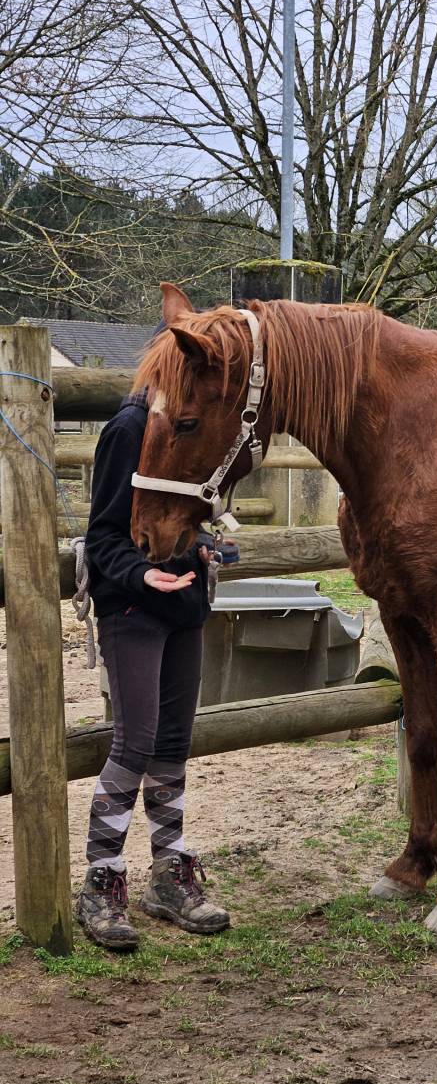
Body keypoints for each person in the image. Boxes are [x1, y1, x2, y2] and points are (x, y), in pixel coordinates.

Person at [74, 384, 234, 951]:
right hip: (135, 605)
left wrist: (205, 545)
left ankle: (168, 875)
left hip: (184, 605)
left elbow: (182, 510)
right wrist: (142, 575)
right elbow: (103, 535)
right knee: (134, 743)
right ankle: (102, 878)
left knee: (172, 743)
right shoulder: (128, 431)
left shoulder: (194, 424)